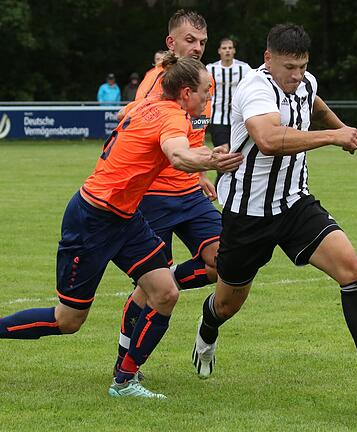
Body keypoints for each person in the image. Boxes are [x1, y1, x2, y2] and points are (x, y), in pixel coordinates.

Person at [0, 55, 242, 400]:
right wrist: (213, 160)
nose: (207, 99)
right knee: (68, 320)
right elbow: (178, 155)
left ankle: (124, 381)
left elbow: (131, 118)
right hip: (92, 220)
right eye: (204, 92)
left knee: (165, 291)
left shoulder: (150, 103)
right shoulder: (171, 116)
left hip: (125, 217)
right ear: (185, 93)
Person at [191, 24, 357, 395]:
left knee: (352, 269)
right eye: (289, 67)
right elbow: (267, 139)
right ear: (268, 59)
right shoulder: (255, 86)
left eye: (302, 67)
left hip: (295, 203)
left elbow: (314, 102)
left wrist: (343, 128)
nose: (296, 76)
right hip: (247, 213)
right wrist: (332, 137)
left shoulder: (304, 82)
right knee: (227, 304)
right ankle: (208, 326)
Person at [112, 9, 220, 380]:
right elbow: (139, 128)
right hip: (153, 196)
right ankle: (125, 362)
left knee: (226, 261)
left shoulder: (206, 82)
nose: (198, 47)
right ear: (171, 43)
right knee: (148, 290)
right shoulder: (157, 82)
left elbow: (193, 135)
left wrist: (201, 171)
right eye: (190, 40)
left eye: (203, 42)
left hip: (189, 193)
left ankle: (168, 275)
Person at [206, 38, 252, 183]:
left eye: (230, 48)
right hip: (217, 118)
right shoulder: (210, 69)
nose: (227, 51)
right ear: (219, 51)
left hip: (238, 120)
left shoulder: (244, 69)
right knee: (224, 153)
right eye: (224, 48)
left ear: (234, 51)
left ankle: (229, 186)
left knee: (236, 154)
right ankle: (221, 186)